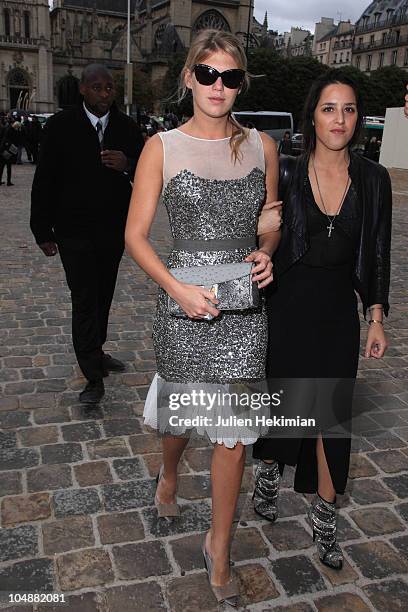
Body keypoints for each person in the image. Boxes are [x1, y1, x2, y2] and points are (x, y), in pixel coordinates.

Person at [125, 29, 281, 607]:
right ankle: (169, 471)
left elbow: (269, 218)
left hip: (243, 307)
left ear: (241, 84)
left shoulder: (261, 146)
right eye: (208, 74)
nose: (219, 86)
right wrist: (178, 289)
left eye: (231, 76)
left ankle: (220, 545)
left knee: (234, 436)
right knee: (180, 415)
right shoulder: (160, 147)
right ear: (189, 77)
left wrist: (268, 248)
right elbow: (135, 237)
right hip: (183, 301)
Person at [252, 70, 392, 571]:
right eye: (330, 108)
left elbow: (377, 253)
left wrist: (375, 316)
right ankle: (269, 470)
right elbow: (263, 232)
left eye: (349, 109)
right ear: (312, 114)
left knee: (331, 417)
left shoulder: (374, 179)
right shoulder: (287, 170)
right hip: (287, 305)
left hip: (337, 312)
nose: (340, 119)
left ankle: (326, 516)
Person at [30, 63, 145, 403]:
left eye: (109, 88)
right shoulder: (60, 126)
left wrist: (129, 164)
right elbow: (44, 180)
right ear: (82, 89)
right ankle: (93, 377)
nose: (104, 93)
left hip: (112, 231)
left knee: (103, 295)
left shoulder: (126, 128)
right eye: (97, 87)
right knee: (83, 299)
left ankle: (96, 349)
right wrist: (42, 230)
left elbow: (149, 170)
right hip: (72, 232)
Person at [0, 118, 17, 186]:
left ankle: (1, 181)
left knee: (1, 167)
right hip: (7, 151)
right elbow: (11, 141)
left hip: (3, 150)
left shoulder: (5, 129)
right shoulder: (10, 130)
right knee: (8, 167)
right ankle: (8, 182)